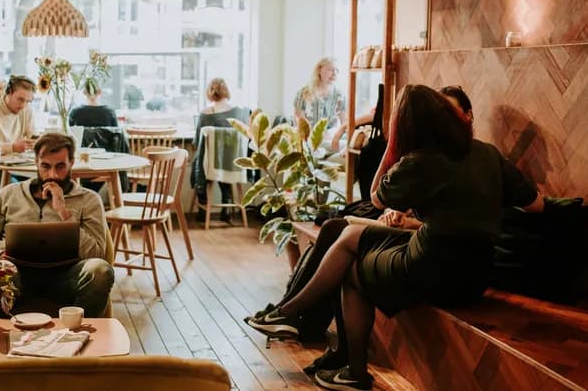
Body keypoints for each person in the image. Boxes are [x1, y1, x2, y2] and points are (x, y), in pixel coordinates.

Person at [248, 84, 543, 390]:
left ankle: (341, 358)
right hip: (475, 277)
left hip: (432, 269)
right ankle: (299, 321)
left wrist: (391, 149)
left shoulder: (419, 161)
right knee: (349, 234)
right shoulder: (487, 153)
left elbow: (376, 198)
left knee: (350, 267)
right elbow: (536, 204)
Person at [0, 133, 114, 317]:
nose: (52, 174)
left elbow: (97, 254)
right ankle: (1, 340)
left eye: (60, 166)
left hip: (66, 278)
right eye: (45, 166)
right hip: (17, 277)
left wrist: (64, 212)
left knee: (100, 271)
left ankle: (82, 337)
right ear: (36, 162)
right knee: (1, 271)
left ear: (71, 162)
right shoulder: (9, 194)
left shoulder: (89, 200)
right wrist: (0, 256)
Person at [190, 78, 250, 220]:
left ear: (210, 92)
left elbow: (198, 141)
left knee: (198, 162)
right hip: (233, 163)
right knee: (225, 160)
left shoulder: (206, 113)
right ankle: (227, 204)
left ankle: (203, 206)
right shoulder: (238, 113)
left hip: (209, 164)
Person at [294, 58, 347, 132]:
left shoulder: (340, 95)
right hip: (308, 138)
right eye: (330, 69)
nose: (334, 74)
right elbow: (299, 123)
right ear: (319, 70)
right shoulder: (304, 92)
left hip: (330, 139)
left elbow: (344, 124)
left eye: (336, 70)